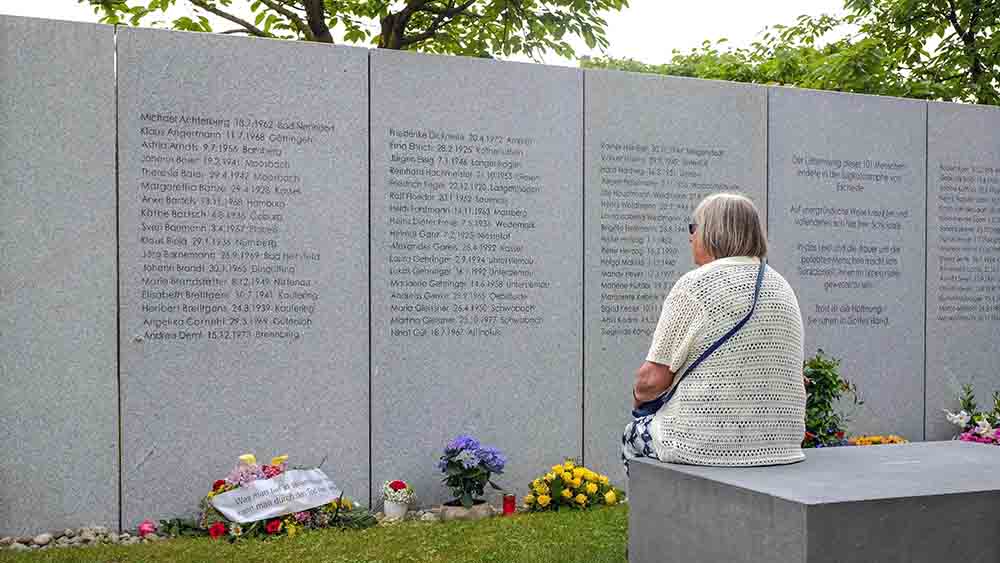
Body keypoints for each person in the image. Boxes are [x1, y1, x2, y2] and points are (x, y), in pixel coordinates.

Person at [622, 192, 806, 472]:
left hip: (703, 441)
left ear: (713, 231)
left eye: (693, 228)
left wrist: (639, 396)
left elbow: (652, 380)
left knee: (632, 436)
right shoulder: (781, 286)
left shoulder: (695, 285)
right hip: (783, 442)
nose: (690, 237)